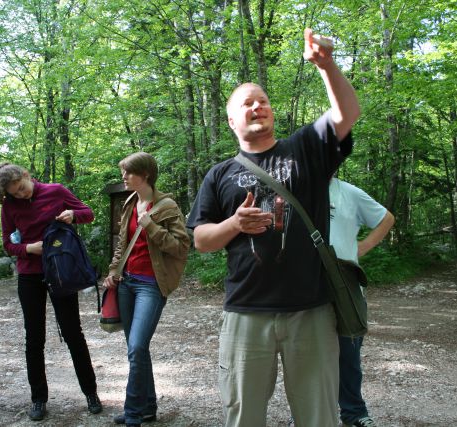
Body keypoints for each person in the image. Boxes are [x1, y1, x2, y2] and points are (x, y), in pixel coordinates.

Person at [186, 28, 361, 427]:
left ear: (271, 112)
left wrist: (326, 65)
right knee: (243, 415)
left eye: (262, 101)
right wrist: (234, 223)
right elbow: (201, 240)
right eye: (247, 103)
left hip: (311, 310)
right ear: (232, 119)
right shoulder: (219, 174)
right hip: (246, 313)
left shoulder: (304, 150)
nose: (257, 107)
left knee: (319, 416)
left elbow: (347, 113)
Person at [0, 163, 102, 421]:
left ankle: (91, 392)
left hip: (61, 271)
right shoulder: (9, 206)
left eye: (21, 188)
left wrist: (73, 216)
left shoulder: (56, 191)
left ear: (27, 176)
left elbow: (88, 212)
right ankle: (38, 398)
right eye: (14, 193)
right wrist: (29, 249)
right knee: (34, 338)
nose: (21, 195)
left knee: (73, 332)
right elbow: (7, 244)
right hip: (29, 275)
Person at [103, 152, 190, 427]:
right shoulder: (130, 201)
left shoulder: (167, 206)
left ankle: (132, 413)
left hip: (151, 285)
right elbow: (122, 243)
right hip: (127, 283)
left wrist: (151, 225)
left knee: (137, 346)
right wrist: (113, 271)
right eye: (123, 172)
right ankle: (148, 407)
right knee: (136, 348)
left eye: (128, 172)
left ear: (146, 175)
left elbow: (180, 246)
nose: (124, 177)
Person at [329, 178, 394, 427]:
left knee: (349, 352)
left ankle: (354, 413)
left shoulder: (349, 192)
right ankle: (304, 413)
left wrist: (362, 247)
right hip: (305, 288)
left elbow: (386, 218)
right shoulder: (296, 191)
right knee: (307, 356)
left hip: (346, 284)